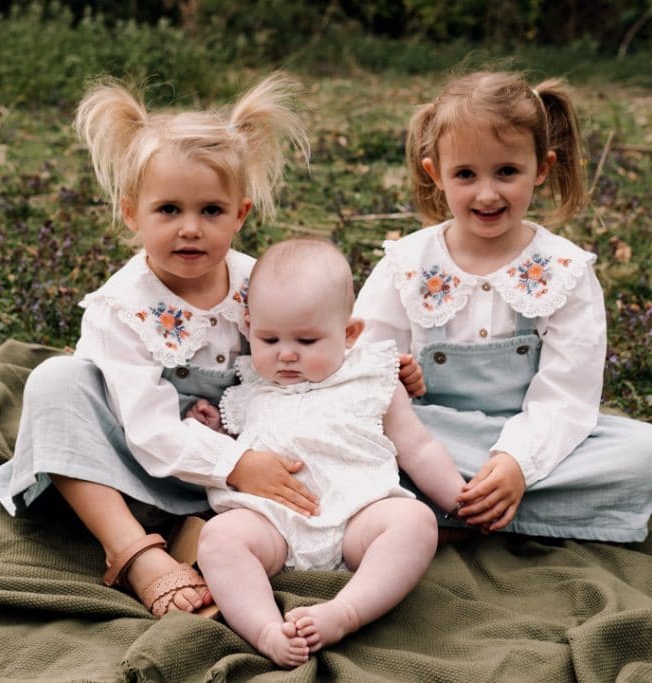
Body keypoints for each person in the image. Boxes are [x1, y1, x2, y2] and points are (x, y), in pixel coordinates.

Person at [0, 73, 317, 618]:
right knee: (55, 380)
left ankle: (211, 541)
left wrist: (374, 366)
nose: (190, 228)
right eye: (168, 210)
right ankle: (134, 552)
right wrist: (236, 461)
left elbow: (310, 352)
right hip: (127, 471)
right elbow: (145, 430)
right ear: (131, 213)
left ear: (240, 214)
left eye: (210, 211)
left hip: (232, 474)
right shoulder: (122, 306)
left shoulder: (260, 283)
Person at [354, 71, 652, 543]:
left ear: (541, 169)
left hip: (533, 440)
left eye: (507, 171)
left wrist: (516, 463)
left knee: (645, 455)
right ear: (434, 174)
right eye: (465, 174)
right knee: (358, 442)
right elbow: (361, 365)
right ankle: (478, 504)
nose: (487, 194)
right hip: (428, 438)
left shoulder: (563, 270)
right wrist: (392, 373)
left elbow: (567, 394)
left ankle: (454, 506)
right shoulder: (406, 265)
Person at [191, 238, 467, 668]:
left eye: (306, 340)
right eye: (268, 338)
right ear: (249, 326)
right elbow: (230, 453)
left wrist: (458, 497)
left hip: (358, 516)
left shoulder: (373, 377)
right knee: (219, 539)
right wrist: (213, 428)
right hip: (272, 525)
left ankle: (345, 612)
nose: (285, 353)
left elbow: (418, 445)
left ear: (349, 333)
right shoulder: (248, 390)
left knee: (415, 522)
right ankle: (266, 629)